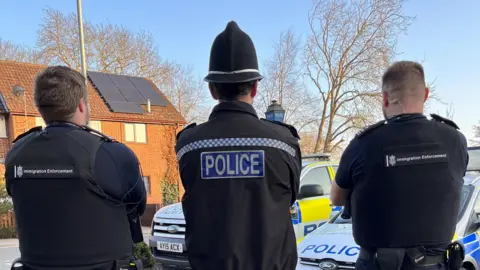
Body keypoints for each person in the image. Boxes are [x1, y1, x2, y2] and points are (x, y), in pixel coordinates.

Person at [175, 21, 302, 270]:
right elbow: (290, 198)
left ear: (212, 89)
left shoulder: (188, 145)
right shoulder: (284, 142)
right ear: (255, 87)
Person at [330, 61, 469, 270]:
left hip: (378, 264)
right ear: (425, 94)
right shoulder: (455, 140)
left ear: (385, 98)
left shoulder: (363, 144)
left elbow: (336, 198)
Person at [4, 66, 147, 270]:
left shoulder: (15, 155)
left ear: (40, 107)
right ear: (81, 105)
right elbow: (136, 207)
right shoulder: (113, 154)